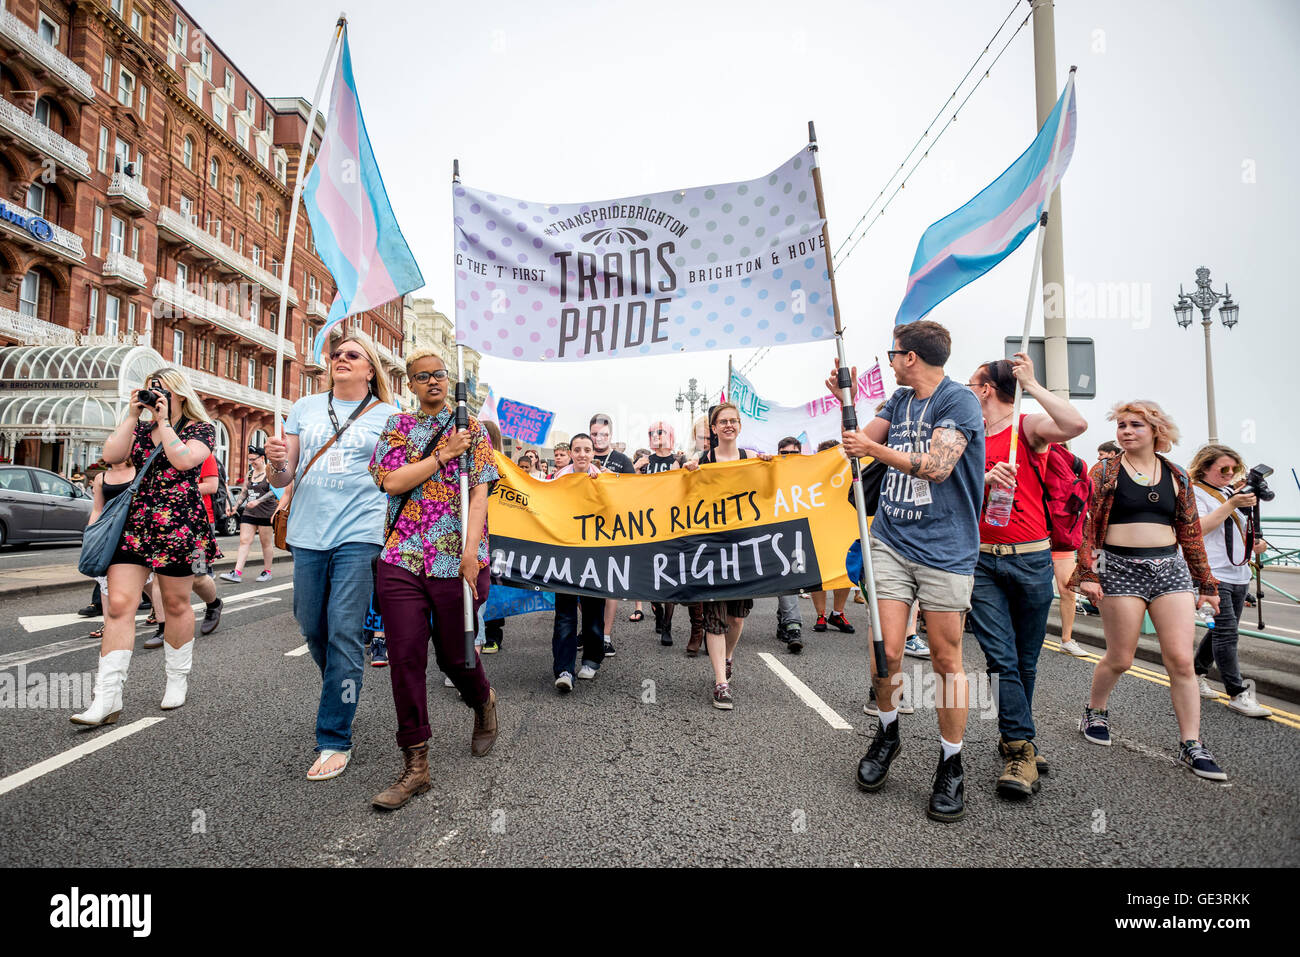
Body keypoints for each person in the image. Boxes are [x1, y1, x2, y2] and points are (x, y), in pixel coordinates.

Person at [828, 319, 985, 822]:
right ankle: (888, 733)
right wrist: (843, 402)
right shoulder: (898, 403)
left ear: (911, 357)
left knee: (945, 660)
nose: (891, 360)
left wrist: (872, 450)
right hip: (891, 543)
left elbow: (938, 466)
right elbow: (854, 444)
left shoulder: (958, 402)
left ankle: (951, 764)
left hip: (945, 549)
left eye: (894, 353)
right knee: (886, 651)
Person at [368, 348, 500, 811]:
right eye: (422, 377)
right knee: (404, 658)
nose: (433, 382)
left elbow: (479, 493)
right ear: (410, 384)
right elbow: (391, 482)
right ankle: (416, 765)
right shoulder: (398, 428)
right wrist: (443, 456)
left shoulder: (474, 432)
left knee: (454, 657)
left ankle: (482, 700)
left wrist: (470, 553)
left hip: (454, 557)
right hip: (401, 556)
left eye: (439, 374)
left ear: (449, 379)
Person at [1069, 401, 1226, 781]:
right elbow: (1088, 527)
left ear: (1157, 430)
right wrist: (1087, 573)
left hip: (1169, 570)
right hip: (1120, 568)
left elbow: (1189, 533)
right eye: (1122, 425)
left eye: (1136, 425)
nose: (1126, 431)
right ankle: (1095, 711)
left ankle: (1192, 744)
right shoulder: (1104, 471)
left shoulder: (1176, 475)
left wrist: (1206, 584)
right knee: (1121, 657)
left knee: (1181, 660)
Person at [265, 330, 397, 781]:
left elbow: (397, 479)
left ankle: (333, 738)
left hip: (360, 533)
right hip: (307, 533)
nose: (341, 358)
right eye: (337, 354)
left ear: (369, 368)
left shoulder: (389, 416)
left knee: (343, 631)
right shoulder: (304, 407)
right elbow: (283, 479)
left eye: (352, 354)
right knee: (312, 627)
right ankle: (342, 684)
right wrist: (275, 461)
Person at [965, 352, 1087, 798]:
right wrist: (981, 478)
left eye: (971, 381)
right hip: (980, 560)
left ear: (985, 388)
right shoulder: (967, 435)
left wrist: (1031, 385)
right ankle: (1021, 749)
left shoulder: (1027, 427)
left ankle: (1014, 735)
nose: (966, 387)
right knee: (1000, 657)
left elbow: (1075, 426)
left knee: (1026, 660)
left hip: (1031, 558)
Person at [71, 368, 220, 725]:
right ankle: (106, 699)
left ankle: (176, 679)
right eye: (151, 390)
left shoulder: (201, 429)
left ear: (180, 394)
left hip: (179, 522)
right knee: (120, 604)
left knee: (175, 602)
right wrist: (131, 413)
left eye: (162, 390)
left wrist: (165, 421)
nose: (155, 396)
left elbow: (183, 460)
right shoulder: (139, 427)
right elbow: (111, 454)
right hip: (136, 520)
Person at [684, 402, 772, 709]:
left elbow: (769, 492)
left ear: (739, 426)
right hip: (713, 549)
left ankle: (729, 656)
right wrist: (688, 473)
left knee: (736, 617)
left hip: (744, 547)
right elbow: (685, 496)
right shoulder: (704, 460)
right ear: (714, 428)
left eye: (734, 420)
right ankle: (721, 682)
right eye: (723, 421)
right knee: (715, 619)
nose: (729, 425)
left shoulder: (751, 458)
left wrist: (770, 467)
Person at [1189, 444, 1272, 718]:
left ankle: (1196, 673)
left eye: (1234, 469)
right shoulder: (1194, 492)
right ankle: (1237, 693)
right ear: (1204, 467)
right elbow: (1198, 529)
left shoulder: (1229, 492)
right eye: (1223, 468)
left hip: (1238, 572)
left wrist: (1255, 543)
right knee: (1227, 633)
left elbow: (1237, 528)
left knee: (1221, 630)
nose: (1229, 473)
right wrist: (1231, 504)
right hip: (1213, 572)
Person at [549, 433, 606, 690]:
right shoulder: (557, 480)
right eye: (578, 449)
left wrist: (601, 486)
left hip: (595, 554)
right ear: (571, 453)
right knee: (565, 612)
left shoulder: (604, 479)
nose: (582, 454)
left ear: (593, 453)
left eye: (587, 449)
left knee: (594, 610)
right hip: (566, 554)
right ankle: (563, 669)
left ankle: (592, 660)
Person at [588, 413, 633, 657]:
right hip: (583, 530)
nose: (598, 438)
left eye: (603, 434)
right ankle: (589, 629)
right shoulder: (583, 454)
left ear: (610, 435)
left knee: (609, 585)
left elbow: (633, 492)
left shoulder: (622, 460)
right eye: (594, 433)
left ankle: (605, 635)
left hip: (613, 530)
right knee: (582, 582)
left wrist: (611, 479)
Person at [83, 458, 140, 641]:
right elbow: (97, 509)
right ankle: (109, 624)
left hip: (134, 532)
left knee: (148, 581)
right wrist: (91, 535)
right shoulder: (102, 477)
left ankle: (159, 613)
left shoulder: (138, 471)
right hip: (109, 532)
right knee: (104, 579)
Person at [810, 439, 856, 636]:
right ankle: (820, 615)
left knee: (843, 570)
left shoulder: (850, 470)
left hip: (843, 527)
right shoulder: (811, 474)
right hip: (819, 528)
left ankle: (838, 613)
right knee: (818, 572)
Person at [220, 446, 277, 583]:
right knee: (244, 541)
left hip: (266, 513)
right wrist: (235, 506)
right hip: (249, 512)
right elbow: (244, 492)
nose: (251, 462)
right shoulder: (250, 474)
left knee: (265, 543)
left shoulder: (271, 473)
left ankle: (267, 571)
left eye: (253, 460)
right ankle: (236, 572)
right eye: (249, 460)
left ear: (262, 458)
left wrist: (258, 501)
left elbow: (274, 492)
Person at [774, 436, 806, 653]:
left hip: (796, 533)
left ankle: (792, 625)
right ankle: (785, 619)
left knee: (789, 576)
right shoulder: (771, 470)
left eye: (793, 453)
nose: (789, 458)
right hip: (770, 531)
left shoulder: (808, 472)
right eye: (784, 453)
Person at [480, 419, 506, 654]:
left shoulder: (503, 465)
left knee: (493, 585)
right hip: (476, 531)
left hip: (497, 532)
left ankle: (493, 633)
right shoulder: (467, 462)